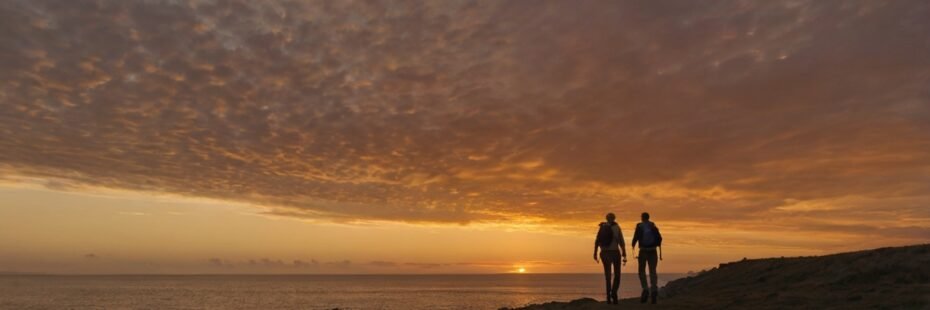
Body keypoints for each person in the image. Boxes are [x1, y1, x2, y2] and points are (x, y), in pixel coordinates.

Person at [593, 212, 626, 304]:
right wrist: (624, 253)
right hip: (615, 252)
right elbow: (621, 241)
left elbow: (597, 240)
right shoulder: (617, 227)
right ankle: (614, 293)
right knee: (617, 275)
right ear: (614, 218)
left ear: (606, 218)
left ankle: (608, 296)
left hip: (604, 253)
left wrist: (595, 253)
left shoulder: (602, 227)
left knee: (607, 276)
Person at [632, 212, 663, 304]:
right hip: (653, 251)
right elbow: (660, 238)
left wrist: (633, 245)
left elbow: (635, 237)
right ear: (648, 218)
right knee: (652, 271)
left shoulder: (639, 226)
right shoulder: (653, 226)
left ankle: (645, 289)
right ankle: (654, 290)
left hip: (643, 251)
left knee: (641, 271)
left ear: (642, 218)